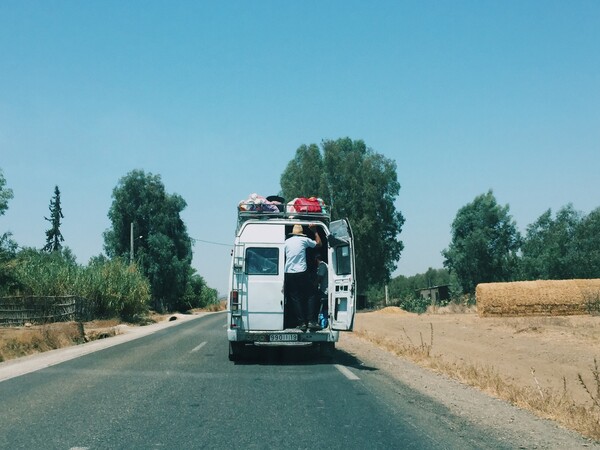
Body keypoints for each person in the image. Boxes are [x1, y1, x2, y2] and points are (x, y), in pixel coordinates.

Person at [284, 223, 322, 332]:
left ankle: (301, 323)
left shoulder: (286, 242)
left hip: (289, 273)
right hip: (301, 272)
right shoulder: (304, 240)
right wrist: (314, 231)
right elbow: (319, 244)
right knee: (311, 294)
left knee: (295, 298)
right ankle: (310, 321)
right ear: (301, 234)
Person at [315, 254, 328, 327]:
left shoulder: (322, 265)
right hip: (324, 289)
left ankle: (322, 322)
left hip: (324, 290)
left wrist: (313, 285)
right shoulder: (325, 265)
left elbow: (319, 277)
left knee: (321, 306)